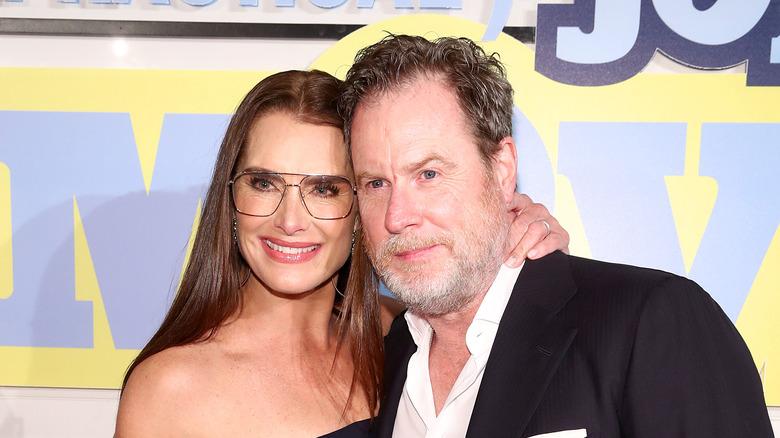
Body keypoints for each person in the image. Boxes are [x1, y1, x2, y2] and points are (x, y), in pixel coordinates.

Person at [337, 35, 774, 438]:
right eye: (376, 183)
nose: (397, 216)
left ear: (502, 168)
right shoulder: (390, 354)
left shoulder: (650, 320)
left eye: (428, 174)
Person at [114, 69, 569, 437]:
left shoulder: (407, 337)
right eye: (264, 183)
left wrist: (523, 249)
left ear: (362, 206)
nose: (289, 220)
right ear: (231, 199)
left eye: (325, 188)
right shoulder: (170, 388)